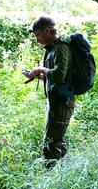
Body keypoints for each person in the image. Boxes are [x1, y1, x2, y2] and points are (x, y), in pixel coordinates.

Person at [24, 16, 75, 166]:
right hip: (55, 102)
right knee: (57, 137)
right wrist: (36, 75)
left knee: (52, 141)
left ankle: (49, 174)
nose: (37, 40)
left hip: (62, 102)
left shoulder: (61, 47)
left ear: (47, 31)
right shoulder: (51, 49)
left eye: (38, 35)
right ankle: (63, 169)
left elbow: (59, 76)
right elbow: (53, 77)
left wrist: (40, 69)